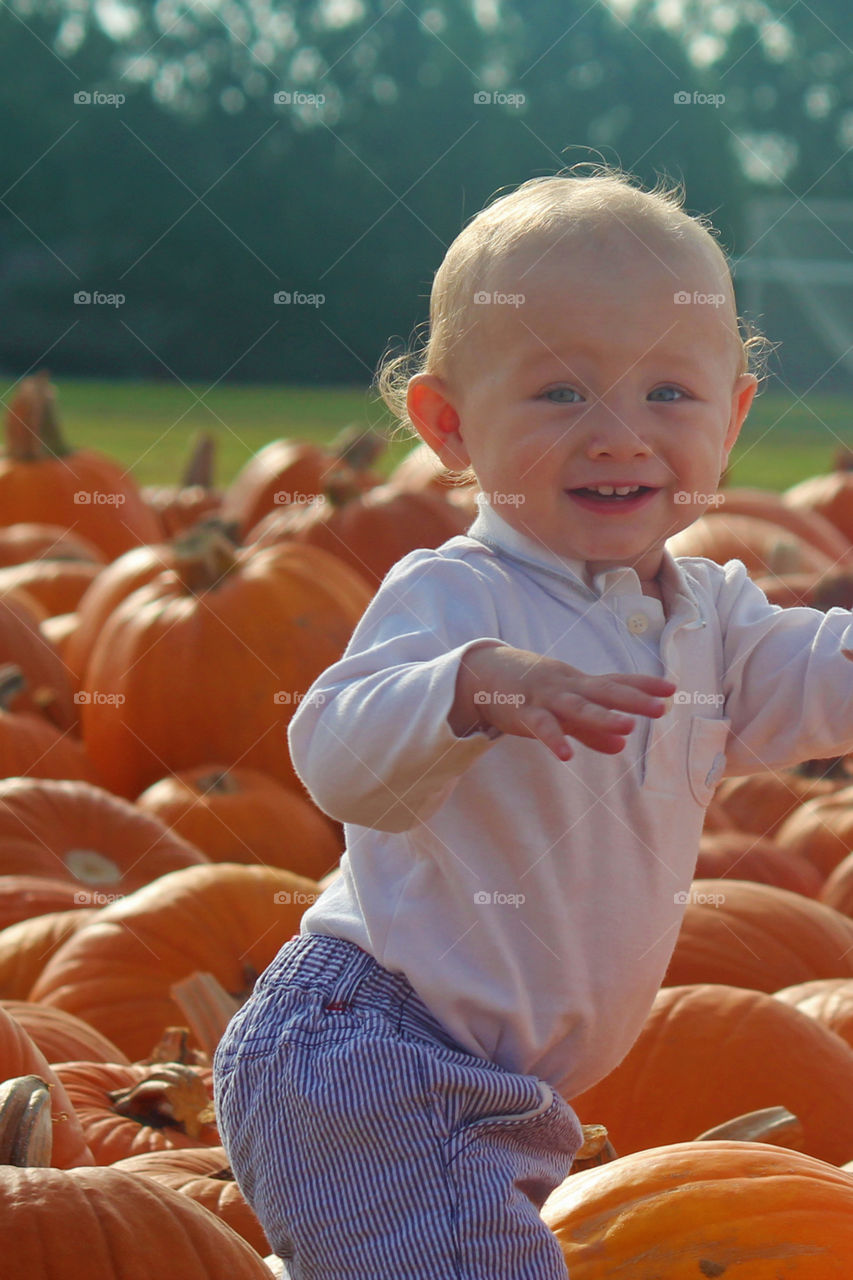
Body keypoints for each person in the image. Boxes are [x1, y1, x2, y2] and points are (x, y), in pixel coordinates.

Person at [213, 165, 853, 1279]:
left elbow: (814, 677)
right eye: (561, 395)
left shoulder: (708, 615)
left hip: (491, 1086)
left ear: (735, 415)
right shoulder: (459, 594)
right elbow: (334, 754)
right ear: (449, 425)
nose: (619, 435)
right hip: (373, 1054)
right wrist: (474, 686)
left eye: (669, 394)